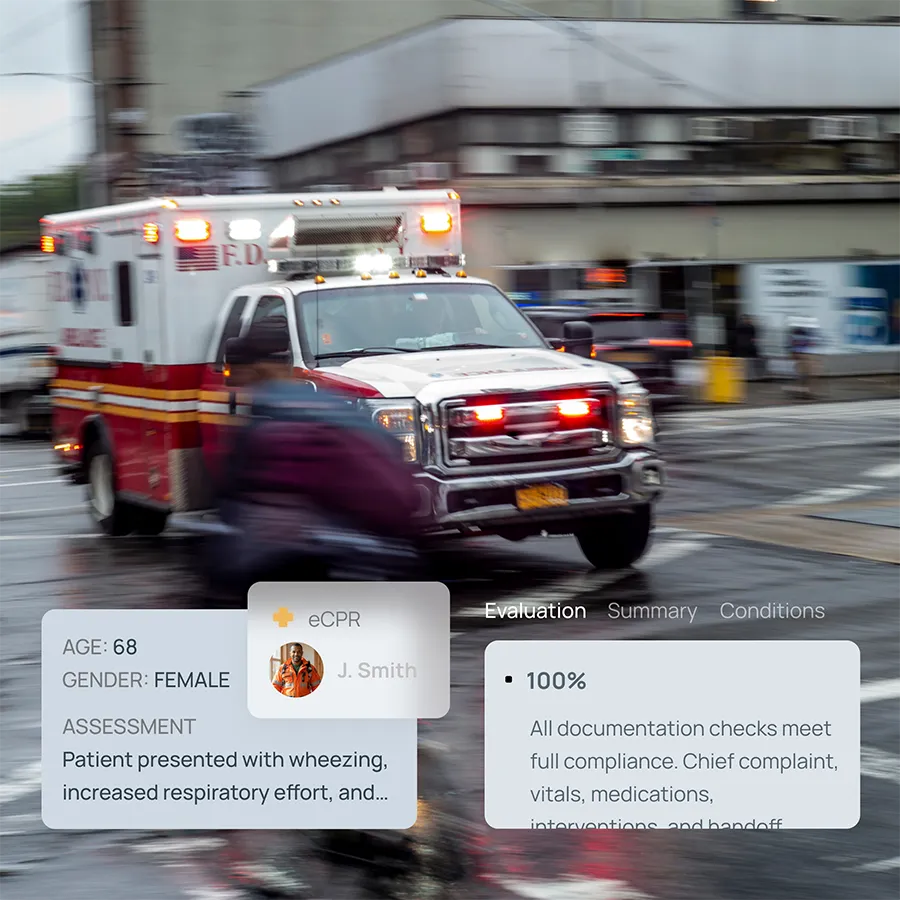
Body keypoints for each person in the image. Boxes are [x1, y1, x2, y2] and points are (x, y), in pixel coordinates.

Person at [207, 318, 421, 588]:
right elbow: (391, 449)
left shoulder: (267, 417)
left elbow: (238, 496)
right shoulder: (330, 402)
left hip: (322, 556)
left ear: (254, 369)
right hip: (385, 542)